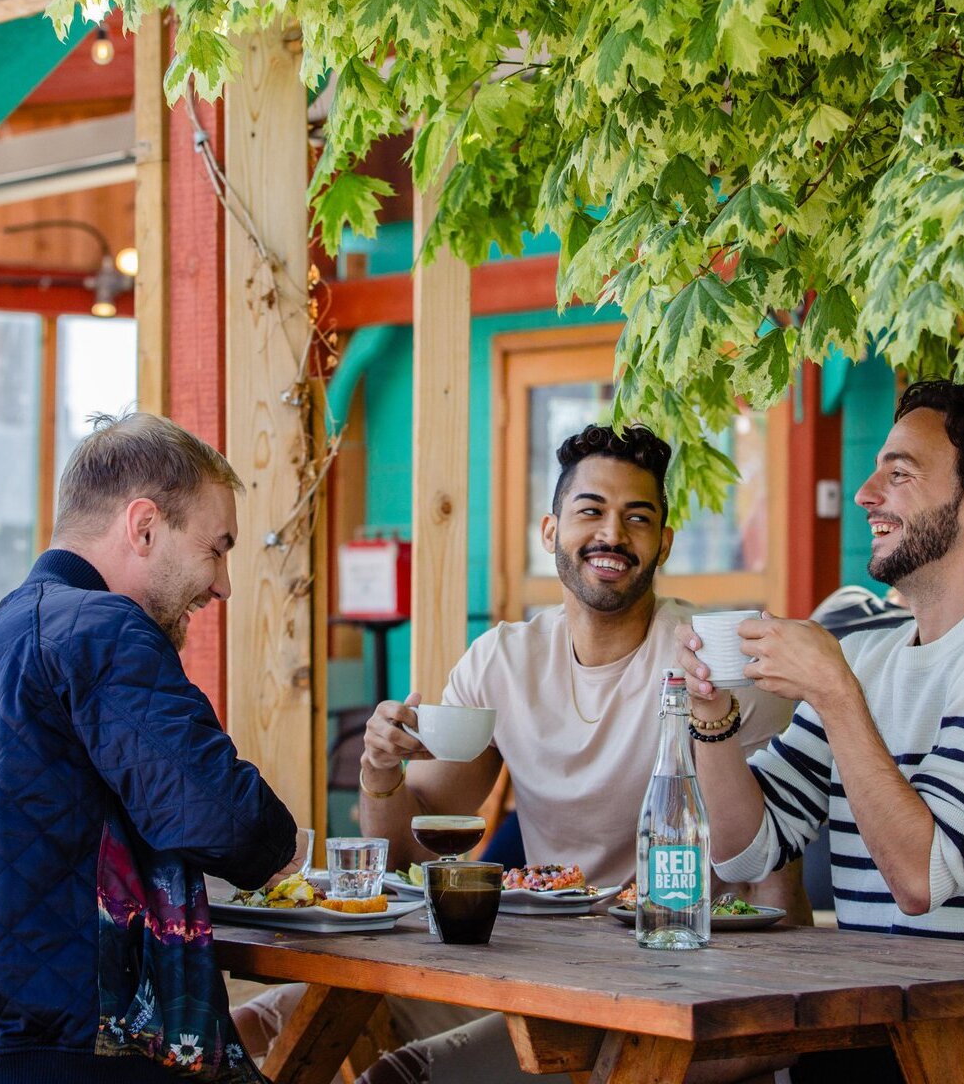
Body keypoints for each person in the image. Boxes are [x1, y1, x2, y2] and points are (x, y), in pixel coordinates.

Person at [237, 423, 804, 1082]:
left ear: (664, 543)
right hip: (542, 965)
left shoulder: (711, 661)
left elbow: (775, 868)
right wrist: (379, 769)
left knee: (400, 1076)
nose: (612, 534)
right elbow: (414, 842)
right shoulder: (504, 660)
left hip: (675, 980)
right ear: (549, 532)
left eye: (637, 517)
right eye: (590, 510)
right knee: (265, 1020)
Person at [679, 380, 964, 1084]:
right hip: (866, 1049)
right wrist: (712, 716)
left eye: (898, 474)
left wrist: (836, 695)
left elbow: (921, 879)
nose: (867, 494)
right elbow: (744, 853)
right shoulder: (868, 655)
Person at [0, 413, 298, 1084]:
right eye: (217, 548)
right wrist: (286, 846)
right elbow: (231, 823)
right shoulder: (101, 628)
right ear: (143, 527)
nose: (223, 584)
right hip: (79, 1047)